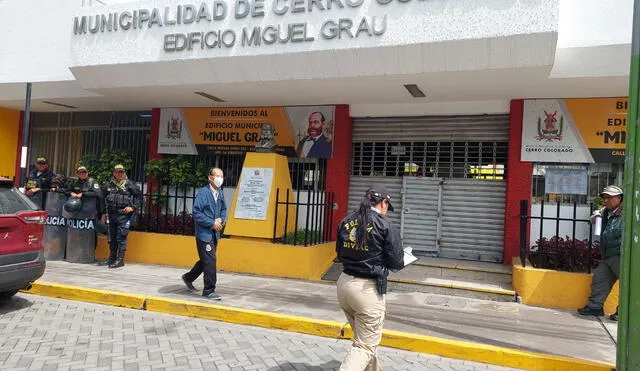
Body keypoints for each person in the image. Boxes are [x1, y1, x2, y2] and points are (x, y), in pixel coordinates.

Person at [335, 184, 404, 370]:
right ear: (384, 202)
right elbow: (397, 262)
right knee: (365, 345)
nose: (387, 211)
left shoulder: (347, 220)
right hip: (367, 291)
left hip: (344, 286)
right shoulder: (385, 225)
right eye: (387, 206)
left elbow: (340, 254)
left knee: (364, 339)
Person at [578, 185, 623, 321]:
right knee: (600, 279)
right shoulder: (606, 211)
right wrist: (595, 216)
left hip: (621, 255)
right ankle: (595, 307)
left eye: (609, 197)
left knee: (628, 285)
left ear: (619, 198)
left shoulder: (627, 212)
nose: (606, 200)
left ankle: (623, 312)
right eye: (604, 197)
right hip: (608, 254)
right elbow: (591, 220)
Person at [182, 167, 227, 300]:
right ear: (210, 178)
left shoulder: (220, 193)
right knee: (210, 260)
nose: (220, 179)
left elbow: (223, 209)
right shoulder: (203, 193)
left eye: (222, 176)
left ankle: (188, 277)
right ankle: (209, 290)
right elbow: (197, 213)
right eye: (217, 176)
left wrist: (221, 220)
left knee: (206, 260)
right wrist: (211, 222)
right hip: (204, 234)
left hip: (214, 234)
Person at [101, 164, 141, 268]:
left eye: (121, 172)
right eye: (117, 172)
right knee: (111, 237)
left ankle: (120, 260)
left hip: (124, 215)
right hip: (111, 214)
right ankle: (112, 258)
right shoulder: (109, 185)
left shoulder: (130, 184)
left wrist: (132, 208)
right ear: (114, 173)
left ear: (124, 173)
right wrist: (103, 213)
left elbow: (139, 197)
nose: (119, 174)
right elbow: (102, 198)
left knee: (121, 237)